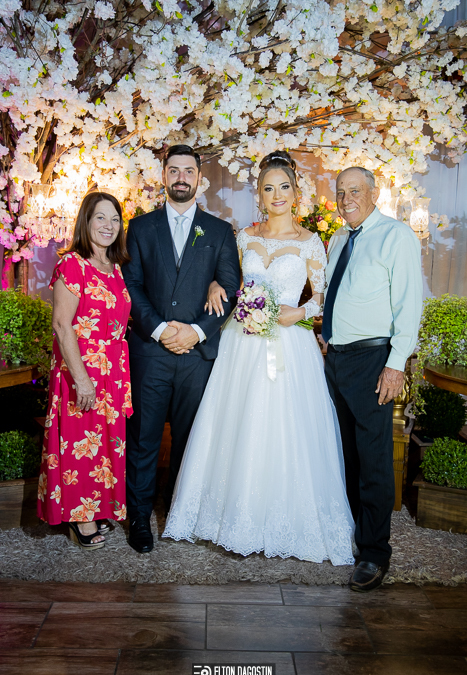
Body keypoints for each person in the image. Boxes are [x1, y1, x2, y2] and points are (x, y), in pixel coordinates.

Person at [162, 151, 355, 565]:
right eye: (268, 189)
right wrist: (215, 285)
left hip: (288, 346)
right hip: (242, 342)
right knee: (236, 422)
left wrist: (299, 312)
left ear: (296, 193)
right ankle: (228, 519)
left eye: (284, 187)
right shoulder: (244, 237)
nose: (277, 195)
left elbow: (324, 297)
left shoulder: (310, 242)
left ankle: (286, 522)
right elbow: (228, 279)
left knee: (286, 428)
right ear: (260, 196)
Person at [122, 144, 241, 554]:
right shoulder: (140, 227)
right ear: (163, 176)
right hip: (150, 352)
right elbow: (131, 285)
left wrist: (196, 332)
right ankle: (139, 517)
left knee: (191, 440)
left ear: (199, 179)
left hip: (197, 357)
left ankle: (179, 513)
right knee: (144, 439)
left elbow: (230, 289)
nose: (181, 178)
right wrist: (158, 330)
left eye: (188, 171)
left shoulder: (220, 231)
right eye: (173, 170)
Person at [322, 166, 423, 591]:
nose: (347, 199)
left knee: (374, 460)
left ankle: (375, 553)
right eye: (341, 192)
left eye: (355, 190)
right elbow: (331, 296)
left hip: (373, 361)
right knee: (344, 454)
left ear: (374, 193)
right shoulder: (338, 239)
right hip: (335, 360)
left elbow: (409, 305)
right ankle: (352, 533)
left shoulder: (396, 236)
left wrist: (395, 364)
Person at [37, 192, 132, 549]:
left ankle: (97, 506)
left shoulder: (115, 267)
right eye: (100, 218)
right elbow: (62, 325)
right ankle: (80, 518)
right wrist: (82, 380)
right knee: (80, 443)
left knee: (103, 445)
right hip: (82, 370)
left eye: (115, 219)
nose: (109, 226)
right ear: (86, 222)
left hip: (113, 371)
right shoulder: (72, 265)